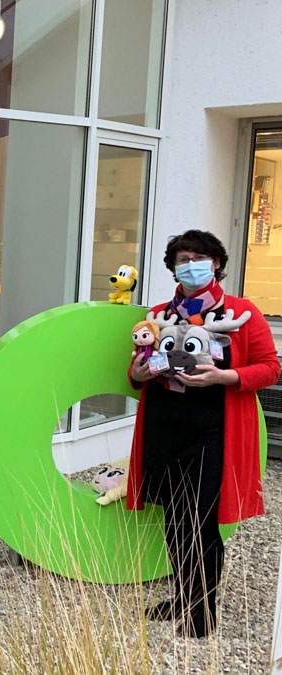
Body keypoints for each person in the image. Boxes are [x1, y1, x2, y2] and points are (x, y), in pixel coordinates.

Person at [127, 230, 279, 638]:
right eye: (182, 258)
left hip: (214, 430)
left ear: (215, 263)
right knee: (173, 520)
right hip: (164, 428)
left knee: (201, 521)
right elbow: (137, 369)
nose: (189, 263)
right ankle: (183, 595)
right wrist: (137, 373)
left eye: (198, 256)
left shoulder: (242, 312)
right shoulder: (158, 314)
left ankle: (202, 609)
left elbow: (270, 367)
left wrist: (223, 375)